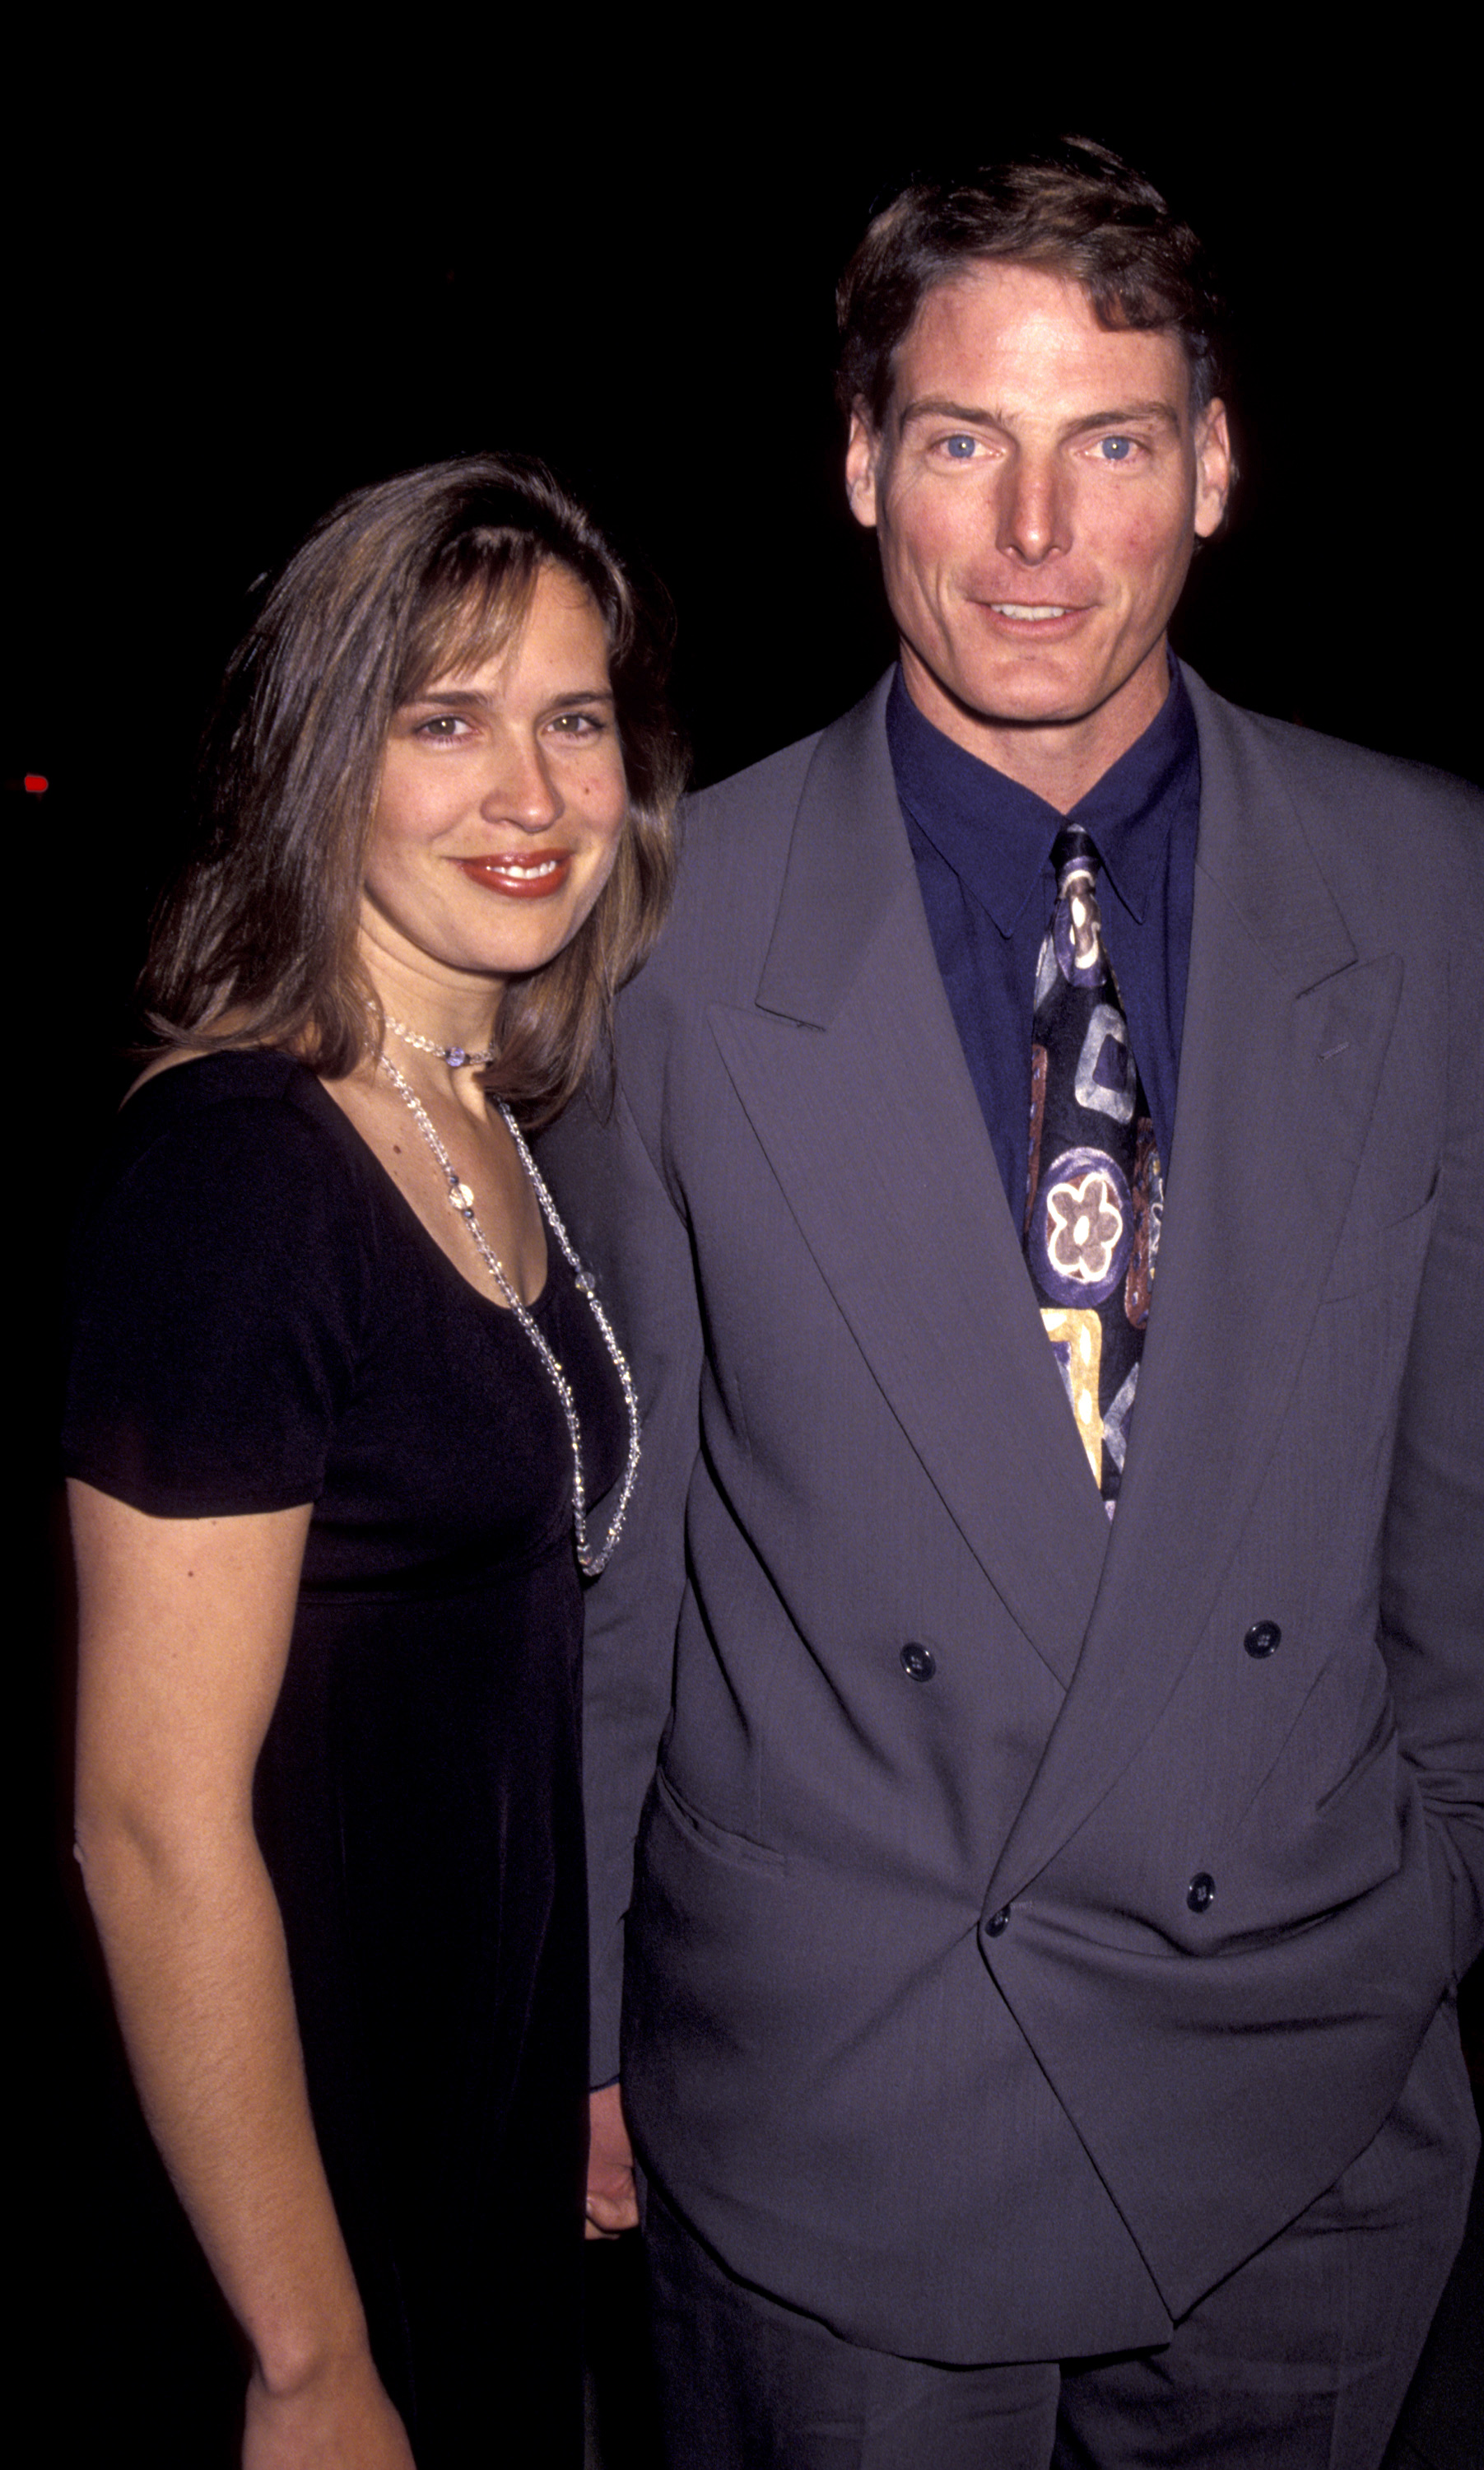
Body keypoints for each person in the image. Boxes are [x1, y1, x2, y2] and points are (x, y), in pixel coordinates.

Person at [547, 141, 1484, 2468]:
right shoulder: (663, 935)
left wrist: (1420, 1904)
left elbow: (1475, 1507)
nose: (1031, 538)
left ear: (1208, 468)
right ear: (854, 467)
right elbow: (626, 1560)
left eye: (1105, 442)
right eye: (958, 443)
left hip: (1295, 2090)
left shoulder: (1449, 898)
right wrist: (593, 2019)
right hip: (842, 2106)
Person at [64, 453, 682, 2468]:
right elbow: (150, 1821)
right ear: (329, 757)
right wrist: (308, 2355)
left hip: (467, 2119)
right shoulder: (240, 1174)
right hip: (300, 2184)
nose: (531, 793)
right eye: (447, 719)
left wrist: (564, 2066)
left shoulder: (482, 1107)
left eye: (573, 719)